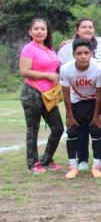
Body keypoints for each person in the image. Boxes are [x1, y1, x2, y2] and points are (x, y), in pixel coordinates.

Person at [57, 17, 101, 171]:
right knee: (80, 127)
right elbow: (65, 88)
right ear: (77, 30)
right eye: (84, 27)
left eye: (91, 26)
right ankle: (82, 159)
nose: (88, 29)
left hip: (98, 97)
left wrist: (97, 115)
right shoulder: (67, 56)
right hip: (77, 98)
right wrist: (69, 115)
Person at [19, 18, 64, 174]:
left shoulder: (50, 48)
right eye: (36, 29)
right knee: (33, 129)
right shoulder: (28, 49)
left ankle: (46, 160)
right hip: (32, 92)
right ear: (30, 32)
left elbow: (56, 65)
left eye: (43, 28)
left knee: (58, 128)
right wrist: (47, 75)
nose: (39, 31)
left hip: (48, 94)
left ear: (47, 31)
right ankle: (33, 164)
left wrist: (64, 47)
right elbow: (24, 71)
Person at [60, 38, 101, 179]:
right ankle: (73, 166)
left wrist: (97, 116)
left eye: (86, 52)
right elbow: (66, 94)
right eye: (79, 53)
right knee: (72, 130)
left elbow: (99, 94)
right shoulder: (66, 69)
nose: (83, 56)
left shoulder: (99, 69)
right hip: (75, 101)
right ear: (73, 55)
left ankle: (96, 166)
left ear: (92, 53)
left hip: (94, 101)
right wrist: (70, 116)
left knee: (97, 130)